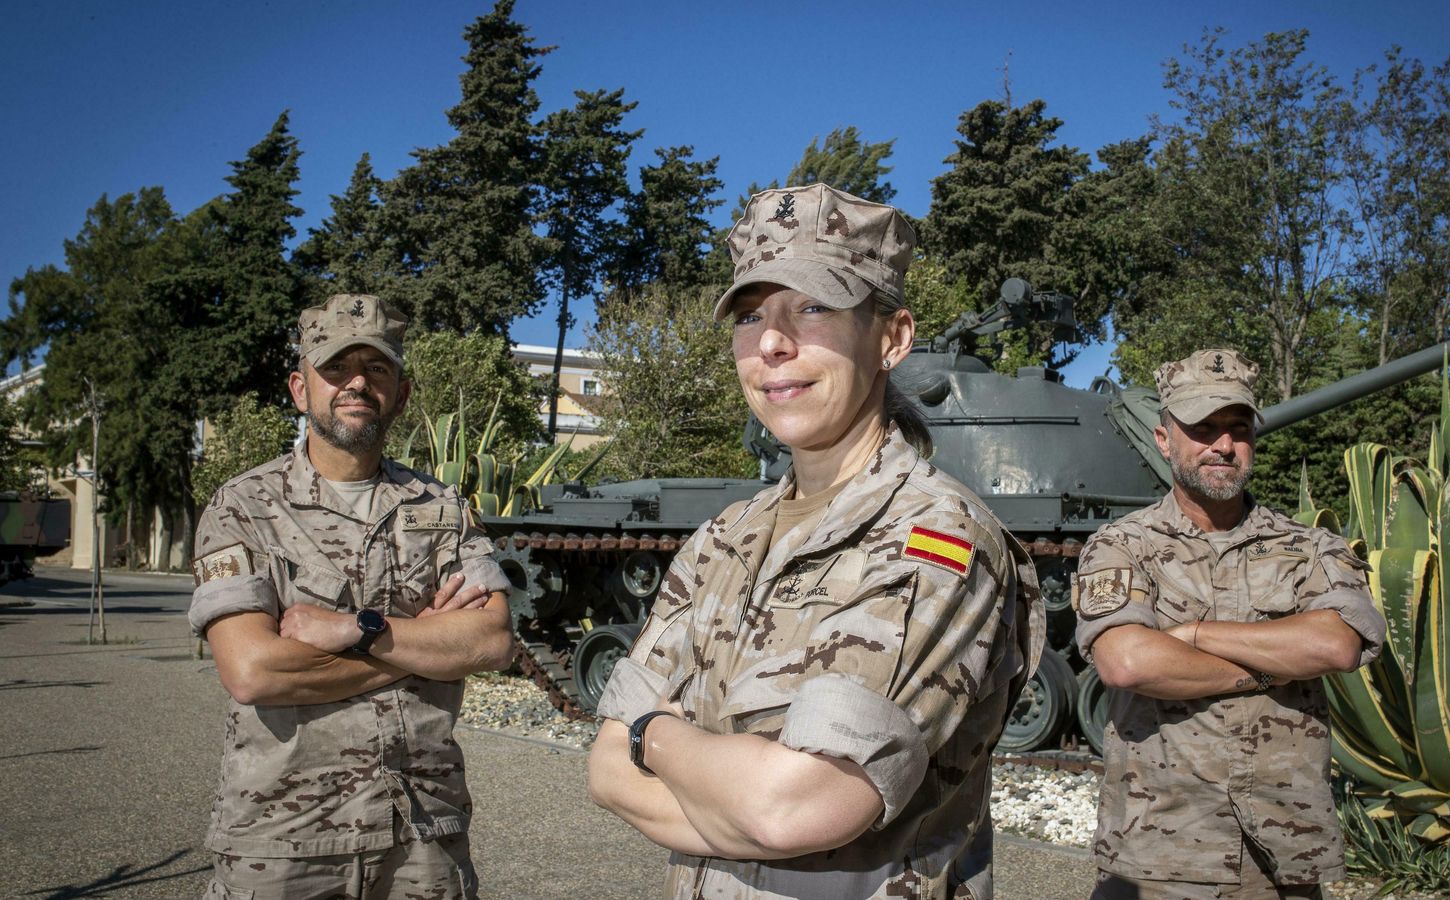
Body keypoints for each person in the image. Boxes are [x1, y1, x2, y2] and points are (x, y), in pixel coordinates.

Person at [587, 183, 1044, 898]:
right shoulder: (721, 540)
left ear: (892, 338)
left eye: (813, 306)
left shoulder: (933, 538)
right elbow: (604, 773)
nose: (771, 342)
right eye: (750, 315)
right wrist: (733, 792)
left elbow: (797, 805)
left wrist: (653, 733)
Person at [188, 294, 515, 899]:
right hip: (283, 839)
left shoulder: (441, 509)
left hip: (423, 834)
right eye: (336, 368)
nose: (357, 383)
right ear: (298, 387)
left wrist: (357, 629)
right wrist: (420, 649)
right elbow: (254, 671)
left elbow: (493, 641)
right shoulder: (243, 508)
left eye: (378, 368)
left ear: (402, 392)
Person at [1075, 349, 1387, 899]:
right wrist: (1273, 668)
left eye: (1238, 428)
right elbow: (1127, 662)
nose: (1223, 445)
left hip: (1285, 858)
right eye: (1202, 428)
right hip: (1159, 854)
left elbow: (1336, 645)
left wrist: (1194, 636)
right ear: (1164, 439)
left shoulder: (1310, 546)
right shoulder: (1123, 545)